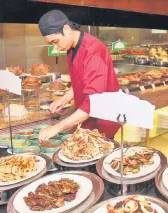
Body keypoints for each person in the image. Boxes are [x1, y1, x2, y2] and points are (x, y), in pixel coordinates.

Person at [37, 10, 120, 142]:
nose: (56, 48)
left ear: (66, 29)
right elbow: (80, 80)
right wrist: (64, 99)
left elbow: (93, 103)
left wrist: (57, 127)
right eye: (51, 43)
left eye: (55, 41)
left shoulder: (93, 50)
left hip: (103, 122)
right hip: (87, 121)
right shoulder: (71, 47)